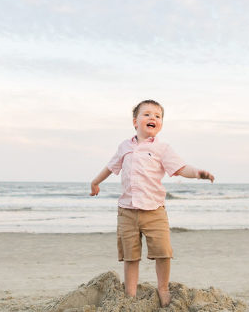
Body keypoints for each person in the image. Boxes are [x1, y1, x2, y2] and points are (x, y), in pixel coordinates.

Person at [89, 99, 215, 307]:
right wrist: (95, 182)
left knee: (163, 253)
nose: (152, 118)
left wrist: (197, 173)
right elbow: (110, 167)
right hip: (127, 211)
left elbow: (181, 168)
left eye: (157, 116)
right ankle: (130, 294)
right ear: (135, 121)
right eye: (147, 114)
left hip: (155, 210)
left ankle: (163, 289)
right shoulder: (124, 147)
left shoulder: (162, 148)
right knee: (130, 256)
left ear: (161, 124)